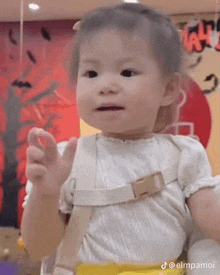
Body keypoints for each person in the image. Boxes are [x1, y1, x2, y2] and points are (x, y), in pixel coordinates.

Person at [21, 3, 220, 275]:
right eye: (91, 73)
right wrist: (46, 194)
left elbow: (210, 219)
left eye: (127, 72)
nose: (106, 86)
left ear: (169, 89)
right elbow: (39, 247)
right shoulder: (70, 158)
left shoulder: (184, 154)